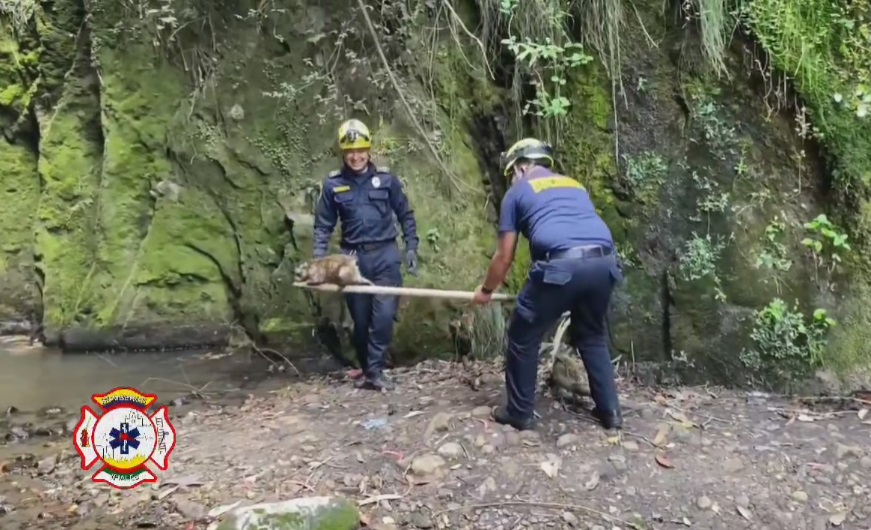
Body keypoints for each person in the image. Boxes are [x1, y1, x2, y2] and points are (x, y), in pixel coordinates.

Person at [472, 138, 623, 431]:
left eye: (512, 173)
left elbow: (504, 257)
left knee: (523, 334)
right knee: (591, 334)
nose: (512, 179)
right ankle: (611, 413)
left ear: (522, 166)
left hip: (560, 266)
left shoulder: (516, 194)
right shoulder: (574, 185)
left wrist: (486, 290)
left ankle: (519, 412)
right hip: (605, 264)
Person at [312, 119, 420, 391]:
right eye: (350, 151)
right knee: (361, 324)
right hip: (353, 262)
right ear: (343, 153)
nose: (356, 156)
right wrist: (319, 261)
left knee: (383, 318)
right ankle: (369, 368)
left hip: (386, 256)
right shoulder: (333, 186)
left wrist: (411, 247)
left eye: (360, 150)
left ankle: (374, 371)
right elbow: (323, 226)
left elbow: (405, 214)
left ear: (369, 150)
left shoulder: (386, 180)